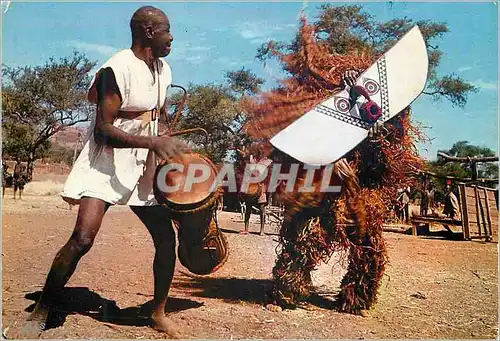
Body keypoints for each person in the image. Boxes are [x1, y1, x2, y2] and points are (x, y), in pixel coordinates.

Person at [18, 6, 188, 339]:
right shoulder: (117, 68)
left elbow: (160, 112)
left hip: (144, 162)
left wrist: (166, 143)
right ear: (148, 32)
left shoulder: (164, 69)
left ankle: (157, 313)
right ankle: (42, 310)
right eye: (167, 30)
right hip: (108, 162)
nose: (172, 37)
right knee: (82, 239)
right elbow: (103, 130)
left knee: (166, 239)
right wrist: (151, 141)